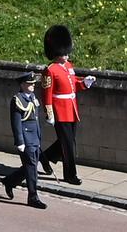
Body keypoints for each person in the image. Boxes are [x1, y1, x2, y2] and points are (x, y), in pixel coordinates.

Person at [41, 25, 95, 185]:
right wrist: (49, 114)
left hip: (72, 109)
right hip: (59, 110)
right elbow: (47, 94)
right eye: (63, 52)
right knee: (68, 144)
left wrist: (84, 83)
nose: (66, 55)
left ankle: (44, 157)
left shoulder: (69, 67)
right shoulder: (50, 70)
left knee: (68, 141)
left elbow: (73, 85)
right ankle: (70, 174)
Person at [3, 72, 48, 209]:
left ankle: (10, 181)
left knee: (31, 167)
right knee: (32, 168)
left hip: (34, 138)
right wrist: (20, 141)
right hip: (26, 139)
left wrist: (39, 137)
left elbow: (35, 120)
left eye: (33, 84)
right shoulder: (17, 100)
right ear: (22, 85)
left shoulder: (32, 97)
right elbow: (16, 123)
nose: (32, 86)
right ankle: (33, 197)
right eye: (29, 84)